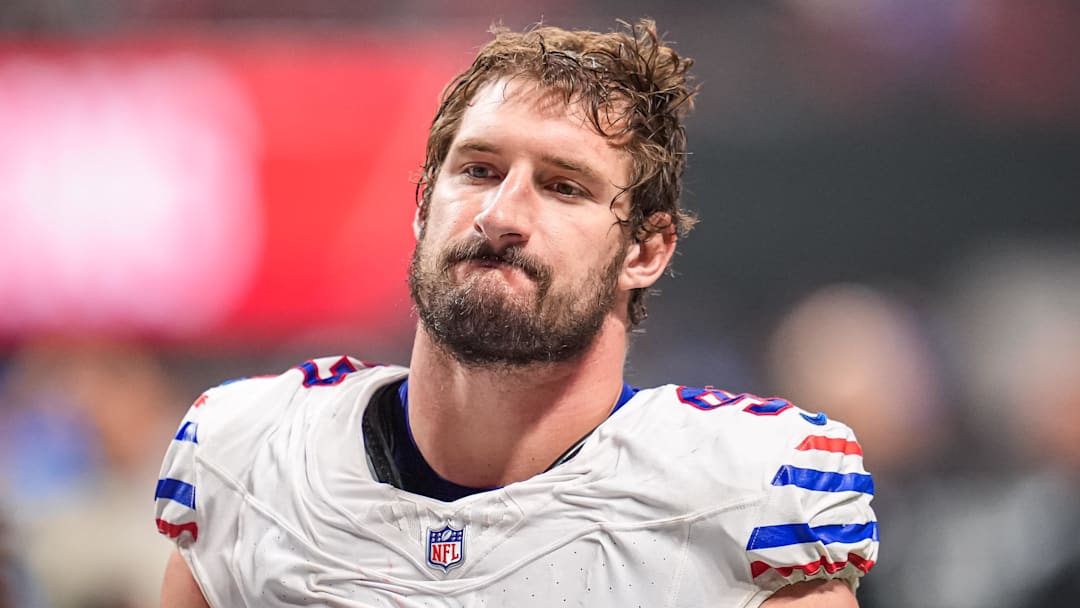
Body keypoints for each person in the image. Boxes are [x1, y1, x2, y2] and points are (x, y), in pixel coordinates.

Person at [155, 19, 878, 607]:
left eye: (563, 187)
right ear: (421, 207)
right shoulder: (248, 456)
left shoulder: (746, 493)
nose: (501, 215)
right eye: (478, 170)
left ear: (646, 251)